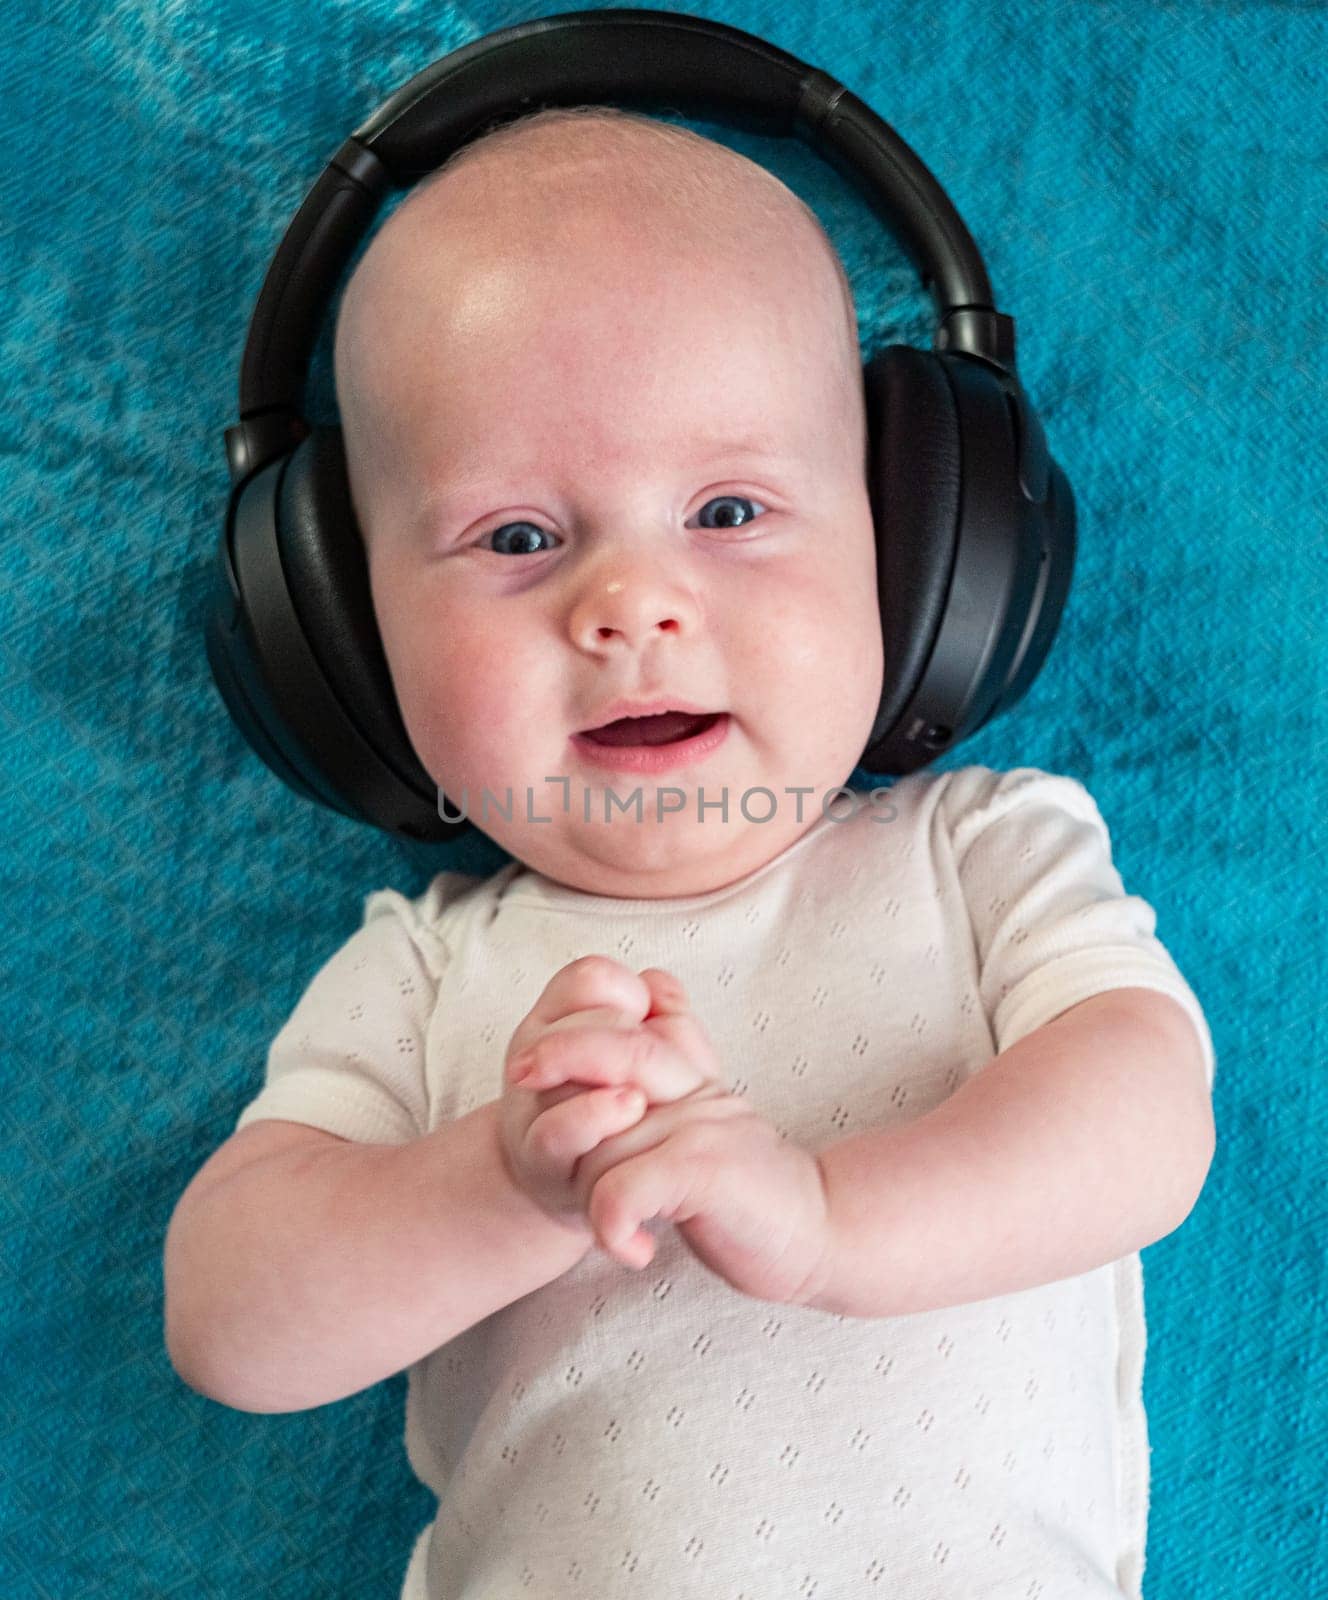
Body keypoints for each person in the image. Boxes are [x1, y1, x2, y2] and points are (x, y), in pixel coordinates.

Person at [163, 106, 1217, 1599]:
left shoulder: (983, 855)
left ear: (922, 553)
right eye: (518, 536)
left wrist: (830, 1219)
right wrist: (502, 1185)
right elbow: (230, 1327)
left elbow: (1145, 1124)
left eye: (728, 509)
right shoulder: (424, 968)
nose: (633, 605)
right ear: (339, 637)